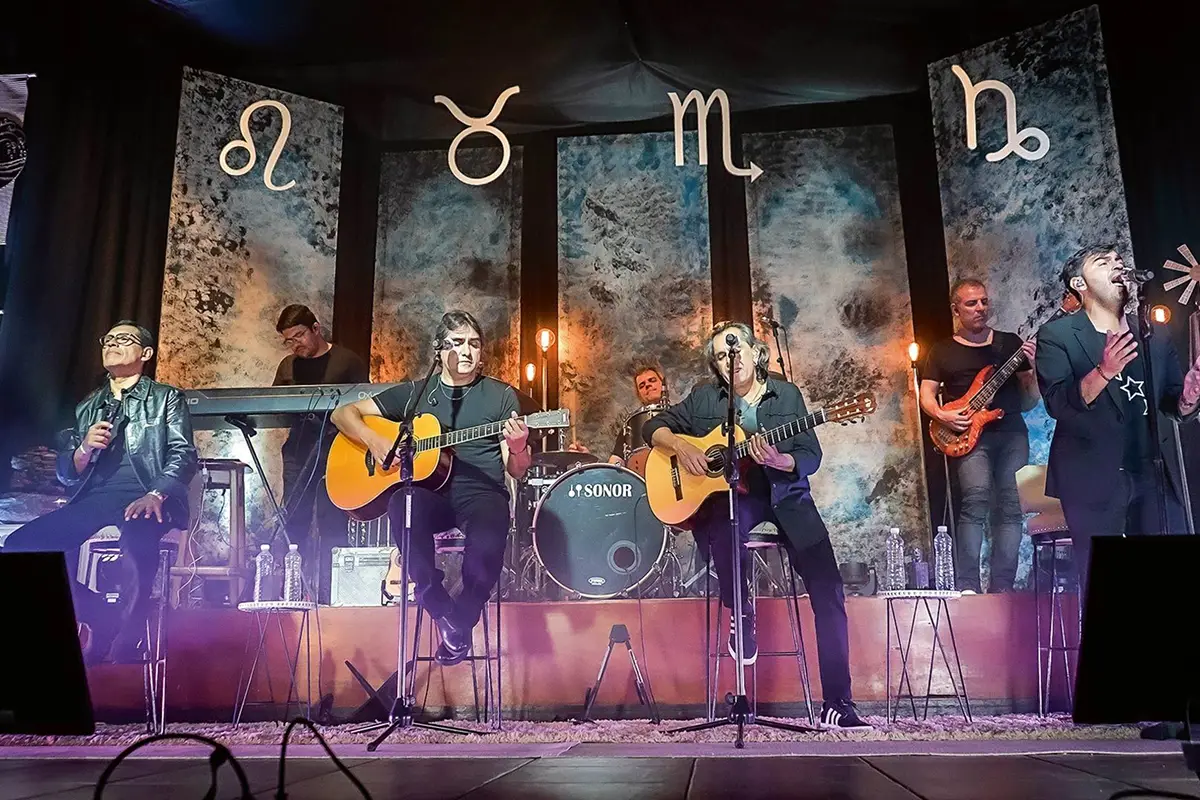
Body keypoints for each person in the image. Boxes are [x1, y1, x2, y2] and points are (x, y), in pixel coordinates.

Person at [642, 321, 869, 729]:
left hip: (789, 502)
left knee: (828, 587)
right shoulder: (705, 399)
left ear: (755, 352)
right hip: (737, 502)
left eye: (736, 350)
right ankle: (740, 607)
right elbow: (651, 427)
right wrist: (679, 445)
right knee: (726, 521)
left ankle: (838, 702)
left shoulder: (787, 394)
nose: (730, 360)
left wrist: (783, 462)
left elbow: (809, 454)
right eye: (720, 356)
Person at [331, 310, 530, 664]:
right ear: (439, 351)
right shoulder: (415, 393)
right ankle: (434, 600)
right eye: (457, 343)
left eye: (474, 343)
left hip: (481, 491)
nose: (467, 351)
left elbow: (516, 470)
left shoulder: (501, 396)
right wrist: (375, 441)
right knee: (402, 505)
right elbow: (342, 414)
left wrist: (518, 448)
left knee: (491, 526)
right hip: (430, 491)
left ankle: (461, 619)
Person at [1, 321, 198, 663]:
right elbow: (69, 475)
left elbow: (184, 454)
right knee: (18, 547)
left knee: (136, 544)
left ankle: (128, 642)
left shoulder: (167, 398)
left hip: (146, 495)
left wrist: (156, 493)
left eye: (124, 339)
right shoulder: (89, 406)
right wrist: (83, 451)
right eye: (108, 339)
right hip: (97, 498)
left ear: (146, 353)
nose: (113, 344)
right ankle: (103, 614)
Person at [1036, 245, 1200, 595]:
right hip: (1092, 475)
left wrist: (1188, 396)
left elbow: (1172, 402)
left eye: (1119, 260)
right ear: (1079, 283)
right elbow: (1058, 404)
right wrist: (1104, 371)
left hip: (1154, 472)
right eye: (1104, 262)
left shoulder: (1151, 332)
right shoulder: (1059, 335)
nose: (1117, 264)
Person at [919, 279, 1039, 593]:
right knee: (975, 501)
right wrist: (943, 415)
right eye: (972, 303)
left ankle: (1003, 586)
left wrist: (1035, 369)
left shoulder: (1009, 343)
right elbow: (926, 395)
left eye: (984, 301)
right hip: (970, 436)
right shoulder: (942, 351)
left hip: (1012, 431)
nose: (980, 308)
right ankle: (968, 583)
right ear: (955, 309)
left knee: (1011, 507)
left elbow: (1030, 400)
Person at [273, 304, 368, 604]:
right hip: (298, 453)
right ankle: (292, 593)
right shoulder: (288, 366)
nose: (295, 344)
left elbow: (364, 407)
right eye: (288, 340)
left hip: (336, 452)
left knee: (332, 522)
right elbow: (276, 408)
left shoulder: (347, 361)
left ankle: (332, 594)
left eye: (299, 335)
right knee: (295, 520)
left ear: (316, 328)